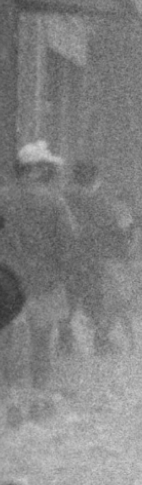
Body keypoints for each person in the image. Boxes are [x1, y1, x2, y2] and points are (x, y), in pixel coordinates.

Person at [0, 141, 80, 397]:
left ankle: (12, 396)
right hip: (44, 284)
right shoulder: (54, 202)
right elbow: (69, 241)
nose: (49, 172)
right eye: (45, 168)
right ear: (34, 170)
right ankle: (38, 397)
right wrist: (63, 273)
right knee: (41, 343)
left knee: (9, 343)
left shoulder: (2, 199)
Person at [68, 159, 138, 353]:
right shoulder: (97, 200)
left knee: (75, 299)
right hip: (95, 257)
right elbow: (119, 229)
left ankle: (69, 340)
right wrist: (124, 250)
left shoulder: (66, 197)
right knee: (100, 299)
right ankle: (101, 340)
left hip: (75, 257)